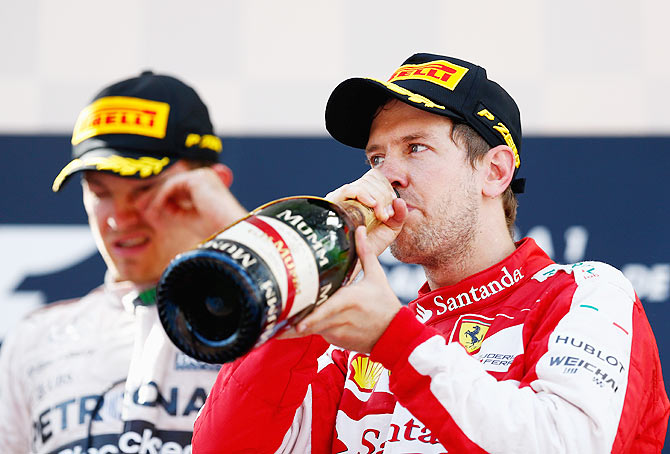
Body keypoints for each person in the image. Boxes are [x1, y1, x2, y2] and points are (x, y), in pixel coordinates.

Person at [191, 53, 670, 453]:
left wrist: (395, 341)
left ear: (495, 172)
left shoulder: (584, 293)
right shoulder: (352, 345)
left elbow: (568, 443)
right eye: (377, 158)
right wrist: (312, 285)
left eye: (416, 148)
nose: (386, 177)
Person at [0, 71, 248, 453]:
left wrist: (235, 227)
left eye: (145, 189)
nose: (120, 217)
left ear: (212, 185)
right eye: (100, 192)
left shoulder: (274, 323)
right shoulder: (35, 340)